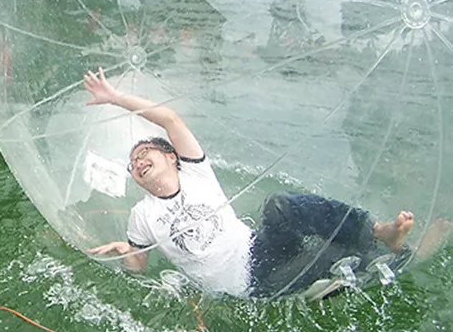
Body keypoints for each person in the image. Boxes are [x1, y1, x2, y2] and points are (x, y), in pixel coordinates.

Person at [82, 68, 416, 298]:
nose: (138, 162)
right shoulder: (142, 215)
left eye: (145, 153)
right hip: (247, 285)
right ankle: (364, 261)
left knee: (279, 204)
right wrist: (127, 251)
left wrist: (115, 99)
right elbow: (138, 270)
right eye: (133, 163)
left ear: (172, 157)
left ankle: (377, 231)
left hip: (258, 248)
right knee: (332, 259)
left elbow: (168, 118)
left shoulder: (195, 172)